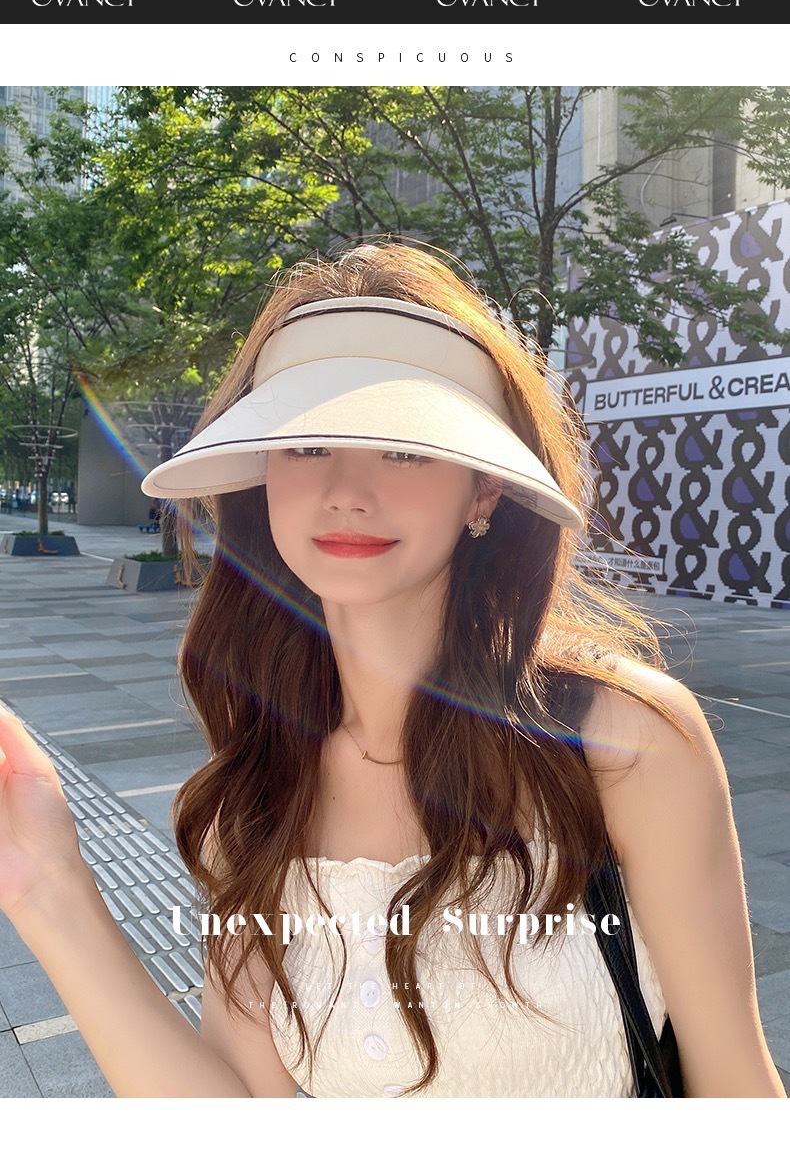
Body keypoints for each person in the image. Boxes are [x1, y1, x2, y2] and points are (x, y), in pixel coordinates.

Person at [0, 241, 784, 1099]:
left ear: (484, 491)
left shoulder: (623, 745)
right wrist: (48, 889)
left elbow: (736, 1088)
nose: (347, 490)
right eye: (307, 445)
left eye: (404, 449)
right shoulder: (252, 798)